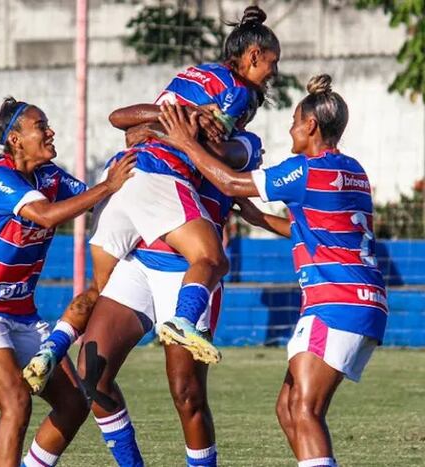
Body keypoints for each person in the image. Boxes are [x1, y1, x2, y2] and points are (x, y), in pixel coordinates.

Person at [23, 6, 281, 388]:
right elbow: (213, 155)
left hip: (122, 178)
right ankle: (182, 320)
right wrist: (188, 127)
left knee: (99, 290)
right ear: (254, 56)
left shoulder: (192, 77)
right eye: (271, 64)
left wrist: (159, 123)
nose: (272, 73)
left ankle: (51, 348)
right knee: (212, 259)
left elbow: (120, 118)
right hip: (161, 187)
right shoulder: (239, 92)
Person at [159, 74, 386, 467]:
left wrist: (184, 142)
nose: (290, 128)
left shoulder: (304, 169)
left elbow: (230, 182)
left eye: (296, 121)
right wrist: (260, 219)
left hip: (335, 301)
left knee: (304, 411)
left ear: (311, 126)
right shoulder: (354, 171)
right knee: (288, 408)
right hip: (363, 299)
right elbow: (314, 229)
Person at [0, 97, 135, 467]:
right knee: (16, 401)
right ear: (15, 139)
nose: (51, 132)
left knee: (74, 403)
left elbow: (95, 201)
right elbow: (46, 216)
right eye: (41, 126)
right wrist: (108, 186)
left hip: (22, 315)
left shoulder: (50, 176)